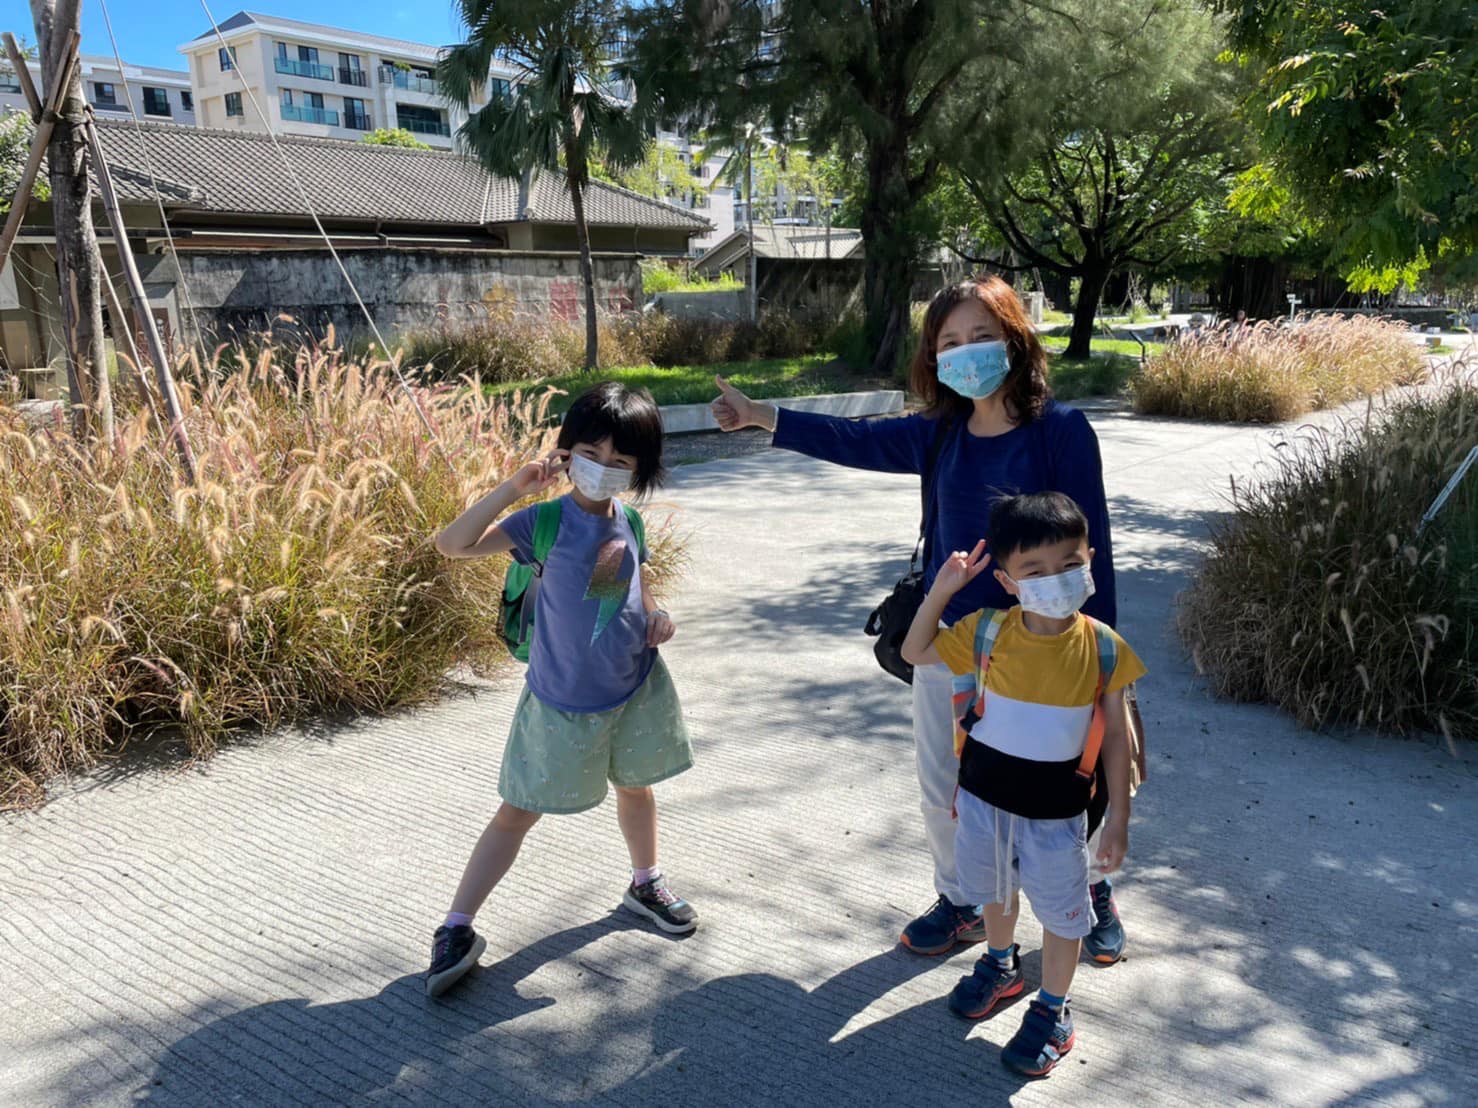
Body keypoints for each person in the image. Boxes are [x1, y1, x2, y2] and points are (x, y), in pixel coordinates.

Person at [712, 275, 1128, 963]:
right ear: (934, 358)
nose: (967, 352)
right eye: (950, 342)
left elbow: (1095, 550)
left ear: (1014, 341)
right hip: (952, 646)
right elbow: (856, 438)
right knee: (944, 785)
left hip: (1045, 648)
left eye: (982, 336)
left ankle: (1090, 888)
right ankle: (962, 899)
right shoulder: (941, 433)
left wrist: (1101, 659)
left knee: (1064, 780)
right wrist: (762, 415)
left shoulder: (1061, 431)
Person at [423, 381, 696, 998]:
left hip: (633, 689)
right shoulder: (543, 522)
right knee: (517, 811)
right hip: (561, 702)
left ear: (640, 470)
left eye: (620, 461)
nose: (603, 468)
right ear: (566, 452)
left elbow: (622, 589)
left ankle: (645, 883)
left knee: (637, 789)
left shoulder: (626, 520)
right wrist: (514, 488)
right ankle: (456, 926)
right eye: (590, 454)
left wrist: (656, 615)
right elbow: (452, 545)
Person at [901, 492, 1146, 1077]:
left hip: (1057, 814)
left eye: (1069, 563)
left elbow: (1116, 738)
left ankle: (1053, 1009)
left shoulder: (1104, 648)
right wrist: (943, 589)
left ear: (1090, 559)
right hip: (983, 804)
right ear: (1008, 581)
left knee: (1063, 915)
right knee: (995, 893)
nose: (1054, 579)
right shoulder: (985, 631)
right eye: (1034, 570)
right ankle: (1001, 963)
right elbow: (914, 650)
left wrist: (1118, 819)